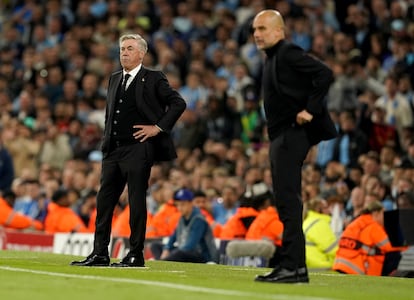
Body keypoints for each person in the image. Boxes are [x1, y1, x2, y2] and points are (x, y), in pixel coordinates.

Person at [71, 33, 186, 267]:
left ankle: (135, 254)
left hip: (138, 149)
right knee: (104, 203)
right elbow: (110, 115)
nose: (124, 52)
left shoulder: (153, 77)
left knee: (136, 201)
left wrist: (158, 128)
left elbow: (178, 103)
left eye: (130, 48)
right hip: (113, 151)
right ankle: (100, 252)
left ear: (141, 54)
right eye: (122, 48)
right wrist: (106, 144)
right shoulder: (114, 78)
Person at [252, 10, 337, 283]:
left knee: (288, 201)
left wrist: (310, 110)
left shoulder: (287, 52)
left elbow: (324, 73)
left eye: (263, 28)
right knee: (285, 201)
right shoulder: (274, 57)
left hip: (291, 134)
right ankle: (294, 266)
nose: (257, 33)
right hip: (282, 136)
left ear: (279, 31)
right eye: (255, 29)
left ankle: (292, 266)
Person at [333, 201, 407, 276]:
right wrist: (406, 244)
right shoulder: (373, 227)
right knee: (395, 254)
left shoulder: (357, 222)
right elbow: (390, 246)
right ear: (376, 214)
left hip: (340, 264)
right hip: (355, 268)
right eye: (383, 214)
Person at [160, 188, 219, 263]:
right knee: (156, 246)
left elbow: (191, 245)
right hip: (185, 252)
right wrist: (166, 249)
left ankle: (161, 263)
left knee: (179, 253)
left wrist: (172, 253)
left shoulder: (199, 219)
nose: (180, 208)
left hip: (202, 256)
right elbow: (173, 236)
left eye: (183, 204)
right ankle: (162, 262)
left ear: (191, 203)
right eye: (177, 205)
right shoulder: (182, 218)